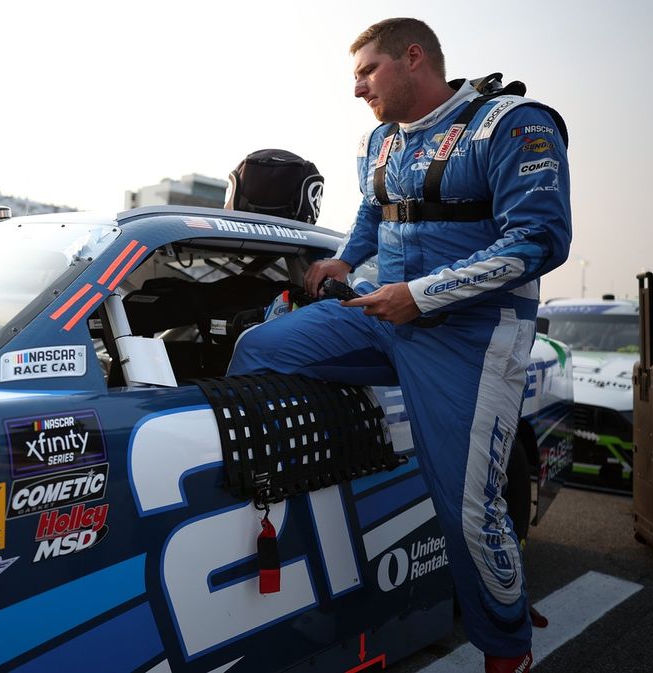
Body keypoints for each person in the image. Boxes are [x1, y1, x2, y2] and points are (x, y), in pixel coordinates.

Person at [228, 17, 571, 673]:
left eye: (367, 72)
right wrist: (343, 259)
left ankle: (508, 648)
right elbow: (373, 214)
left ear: (414, 58)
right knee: (259, 348)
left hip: (473, 336)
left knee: (469, 513)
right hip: (383, 316)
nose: (357, 88)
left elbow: (540, 241)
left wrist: (422, 294)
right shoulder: (378, 140)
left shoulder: (513, 123)